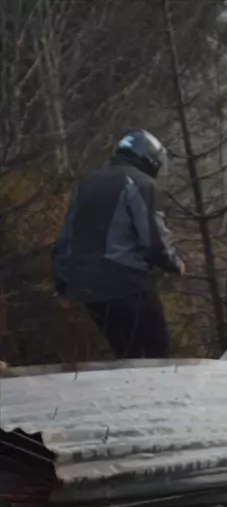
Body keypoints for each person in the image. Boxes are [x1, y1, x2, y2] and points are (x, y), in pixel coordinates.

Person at [51, 129, 185, 360]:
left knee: (125, 354)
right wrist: (175, 265)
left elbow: (66, 239)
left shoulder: (86, 183)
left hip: (88, 291)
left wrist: (62, 285)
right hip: (125, 285)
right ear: (150, 160)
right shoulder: (141, 184)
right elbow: (154, 241)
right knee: (156, 354)